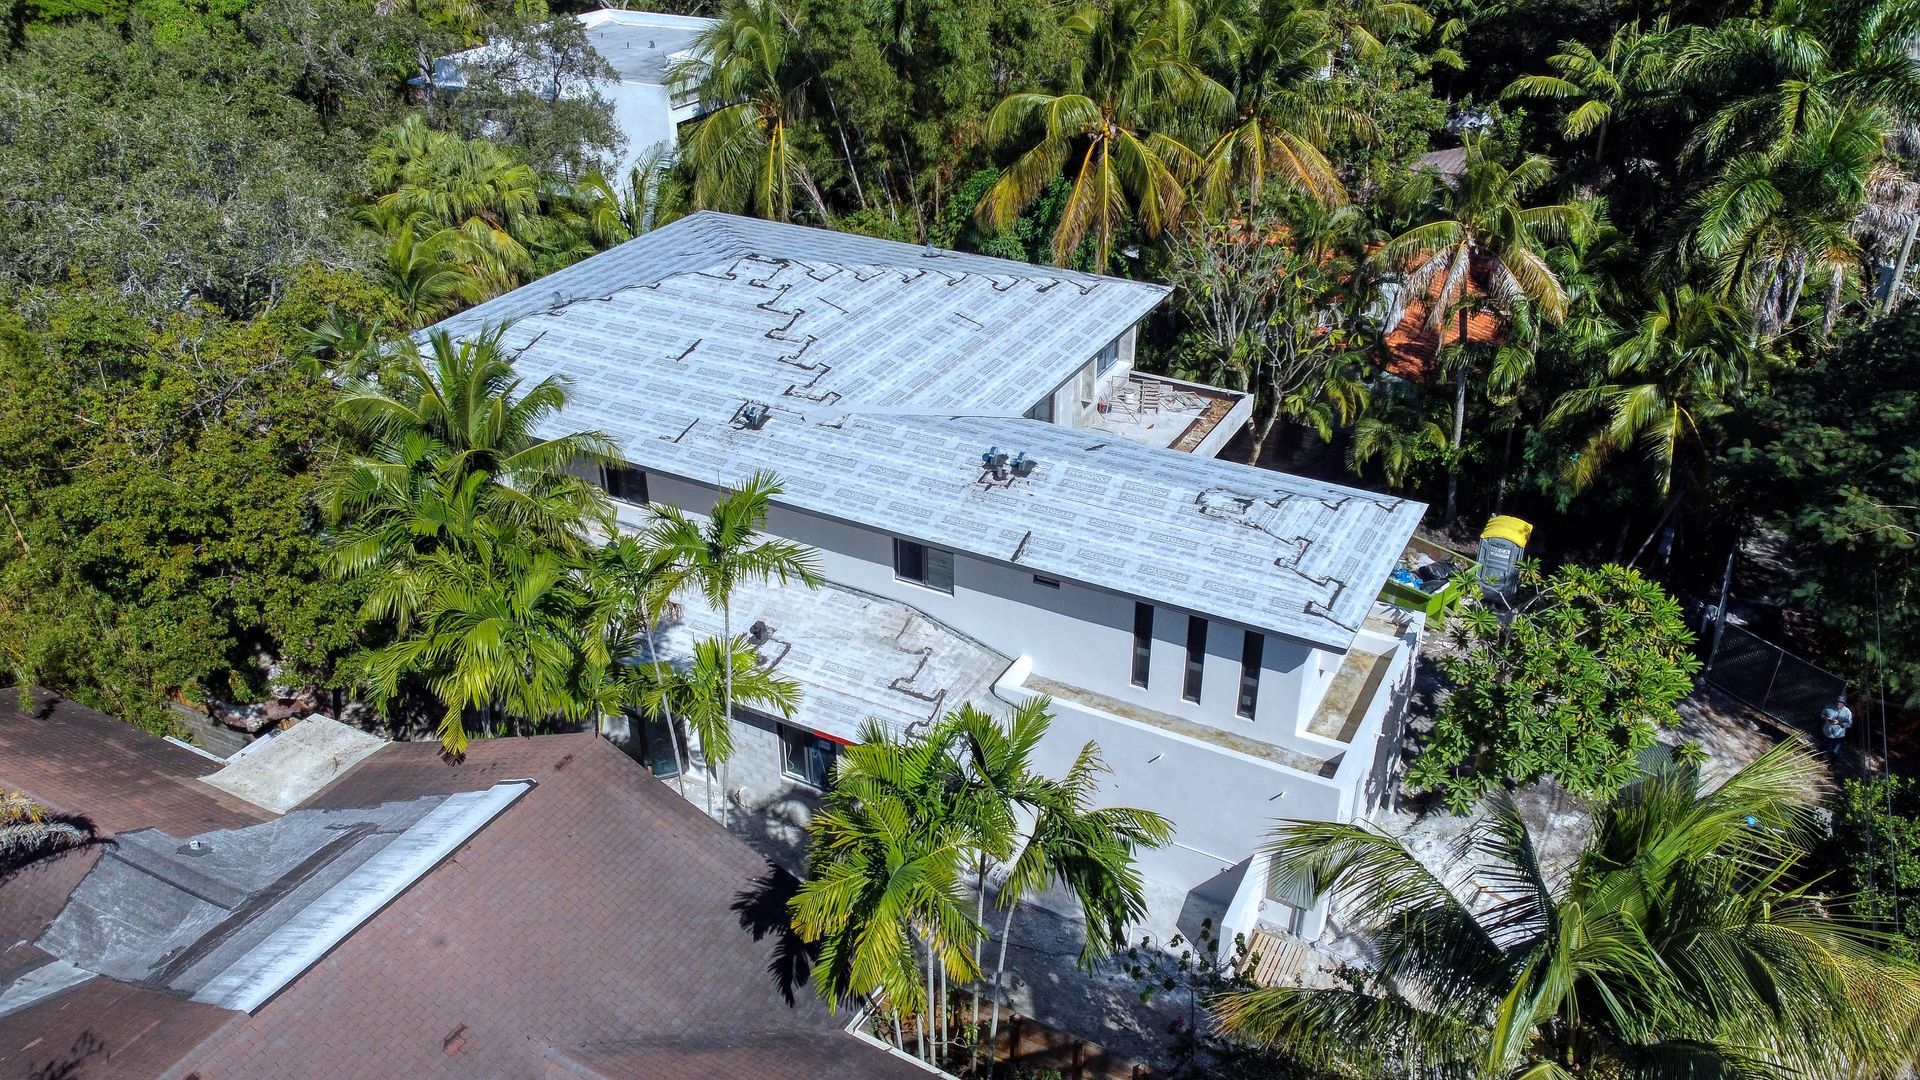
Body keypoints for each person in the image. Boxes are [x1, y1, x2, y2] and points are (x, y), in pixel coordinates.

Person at [1822, 693, 1854, 760]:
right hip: (1827, 732)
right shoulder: (1829, 707)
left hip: (1838, 735)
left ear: (1844, 703)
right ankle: (1819, 757)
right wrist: (1826, 718)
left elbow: (1849, 724)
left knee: (1835, 751)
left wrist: (1839, 723)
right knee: (1823, 746)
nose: (1839, 703)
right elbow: (1822, 715)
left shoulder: (1847, 712)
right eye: (1838, 701)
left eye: (1841, 702)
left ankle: (1832, 764)